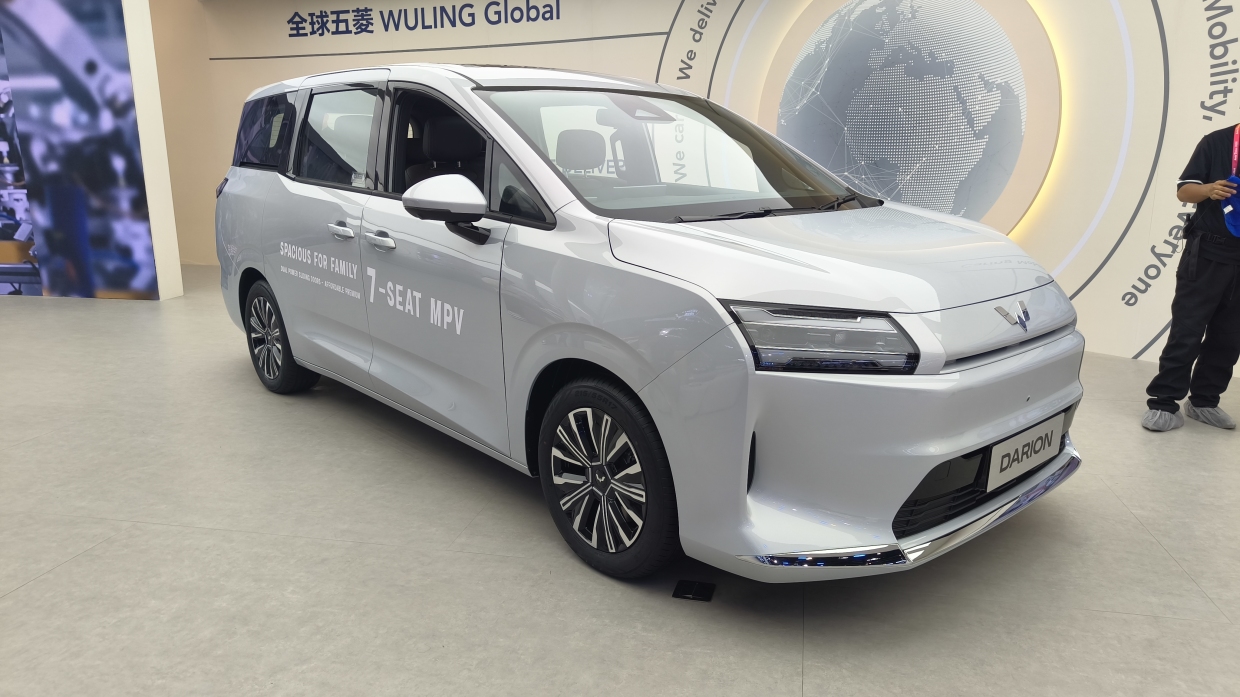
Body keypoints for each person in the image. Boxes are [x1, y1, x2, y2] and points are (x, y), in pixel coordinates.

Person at [1142, 124, 1240, 431]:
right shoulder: (1217, 141)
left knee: (1229, 337)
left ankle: (1204, 402)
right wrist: (1209, 190)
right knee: (1188, 329)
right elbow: (1184, 190)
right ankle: (1163, 402)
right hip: (1208, 253)